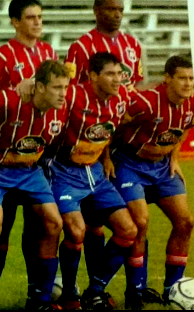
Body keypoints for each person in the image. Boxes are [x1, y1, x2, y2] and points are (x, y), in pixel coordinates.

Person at [0, 0, 59, 306]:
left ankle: (36, 295)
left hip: (33, 162)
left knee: (40, 227)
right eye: (30, 17)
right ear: (15, 21)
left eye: (40, 16)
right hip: (2, 158)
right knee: (2, 231)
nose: (37, 22)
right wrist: (15, 91)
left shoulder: (49, 53)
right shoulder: (1, 56)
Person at [0, 60, 72, 310]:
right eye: (56, 87)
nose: (63, 93)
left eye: (65, 87)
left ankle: (41, 300)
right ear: (39, 87)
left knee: (55, 222)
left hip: (29, 172)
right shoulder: (8, 101)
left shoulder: (61, 110)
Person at [46, 52, 136, 309]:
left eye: (119, 74)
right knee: (76, 231)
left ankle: (94, 290)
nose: (117, 79)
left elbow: (106, 131)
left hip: (95, 173)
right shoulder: (73, 95)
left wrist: (105, 157)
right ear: (93, 75)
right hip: (63, 170)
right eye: (110, 74)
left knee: (128, 230)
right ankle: (70, 295)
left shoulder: (121, 100)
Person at [111, 55, 193, 309]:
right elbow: (113, 126)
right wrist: (105, 158)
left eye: (191, 79)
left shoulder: (191, 103)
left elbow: (184, 127)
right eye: (182, 78)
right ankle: (135, 292)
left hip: (161, 168)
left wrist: (175, 156)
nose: (188, 83)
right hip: (129, 163)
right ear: (167, 78)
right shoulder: (145, 102)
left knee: (186, 222)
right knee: (141, 222)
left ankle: (172, 289)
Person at [65, 0, 143, 90]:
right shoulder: (80, 47)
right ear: (96, 11)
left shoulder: (133, 44)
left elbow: (137, 83)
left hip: (128, 104)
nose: (118, 15)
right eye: (111, 9)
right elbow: (69, 87)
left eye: (120, 10)